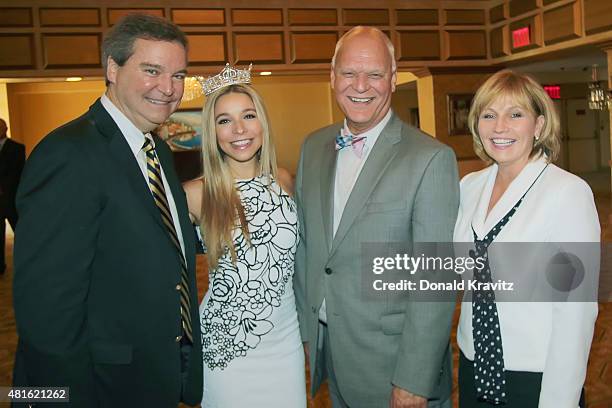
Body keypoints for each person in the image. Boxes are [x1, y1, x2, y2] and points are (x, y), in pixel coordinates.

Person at [12, 14, 202, 407]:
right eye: (152, 70)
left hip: (149, 377)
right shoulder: (69, 154)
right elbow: (46, 313)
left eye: (179, 75)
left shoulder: (158, 151)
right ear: (112, 68)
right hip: (95, 387)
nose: (168, 89)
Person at [294, 26, 460, 407]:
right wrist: (308, 333)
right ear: (332, 77)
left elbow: (434, 280)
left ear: (394, 78)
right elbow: (308, 247)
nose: (361, 85)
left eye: (375, 74)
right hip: (330, 352)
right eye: (349, 73)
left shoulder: (429, 159)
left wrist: (414, 381)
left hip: (394, 368)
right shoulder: (314, 146)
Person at [454, 69, 599, 407]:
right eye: (488, 115)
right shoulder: (469, 187)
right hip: (474, 364)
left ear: (538, 125)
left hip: (535, 374)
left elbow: (575, 312)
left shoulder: (567, 193)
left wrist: (558, 399)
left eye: (515, 114)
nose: (500, 126)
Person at [183, 69, 305, 407]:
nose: (239, 130)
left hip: (285, 344)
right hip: (226, 351)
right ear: (213, 132)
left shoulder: (284, 181)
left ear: (262, 123)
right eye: (224, 120)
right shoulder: (195, 194)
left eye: (248, 116)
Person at [0, 118, 25, 274]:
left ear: (6, 129)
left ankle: (27, 261)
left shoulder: (17, 148)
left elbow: (18, 172)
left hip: (11, 198)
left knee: (22, 232)